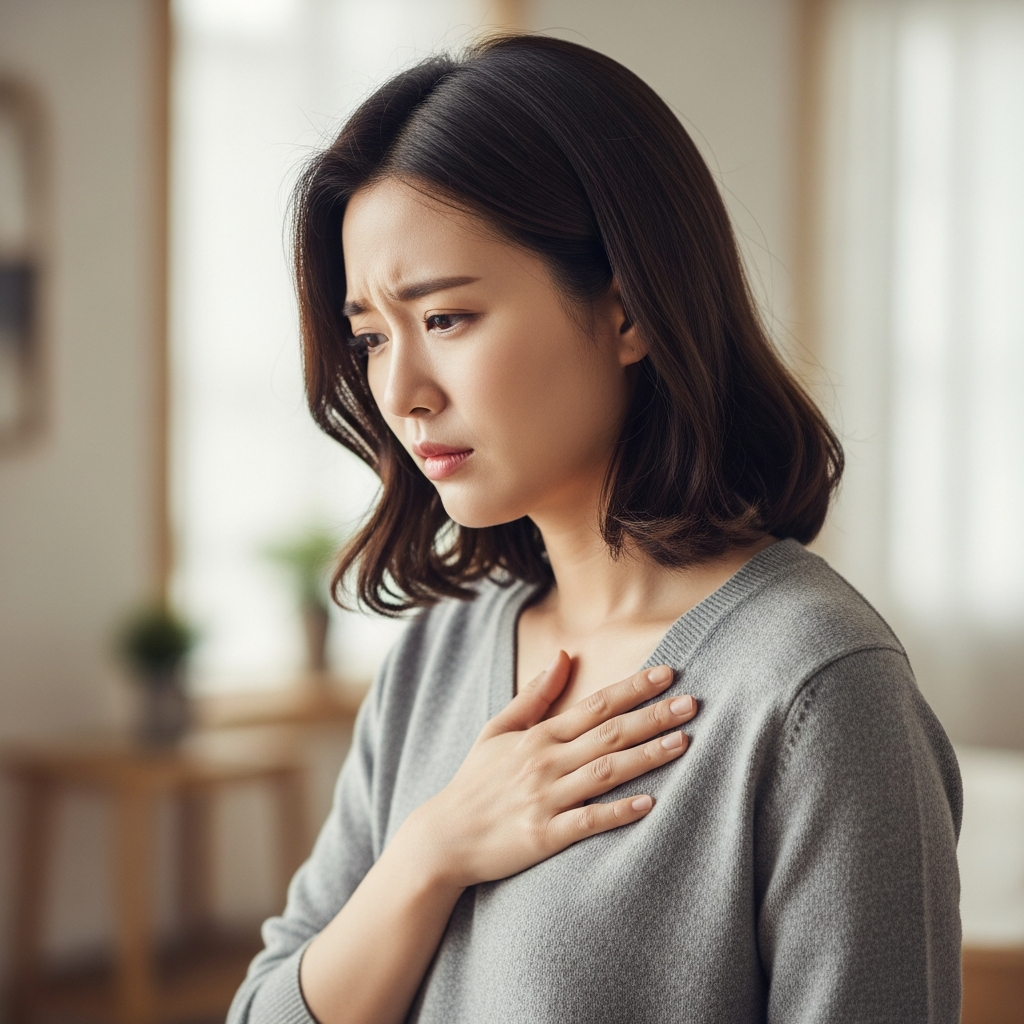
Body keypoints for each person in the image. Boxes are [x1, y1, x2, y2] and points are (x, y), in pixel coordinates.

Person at [227, 34, 961, 1024]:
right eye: (369, 338)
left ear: (627, 313)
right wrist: (431, 852)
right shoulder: (439, 654)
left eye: (444, 319)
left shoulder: (815, 688)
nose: (399, 391)